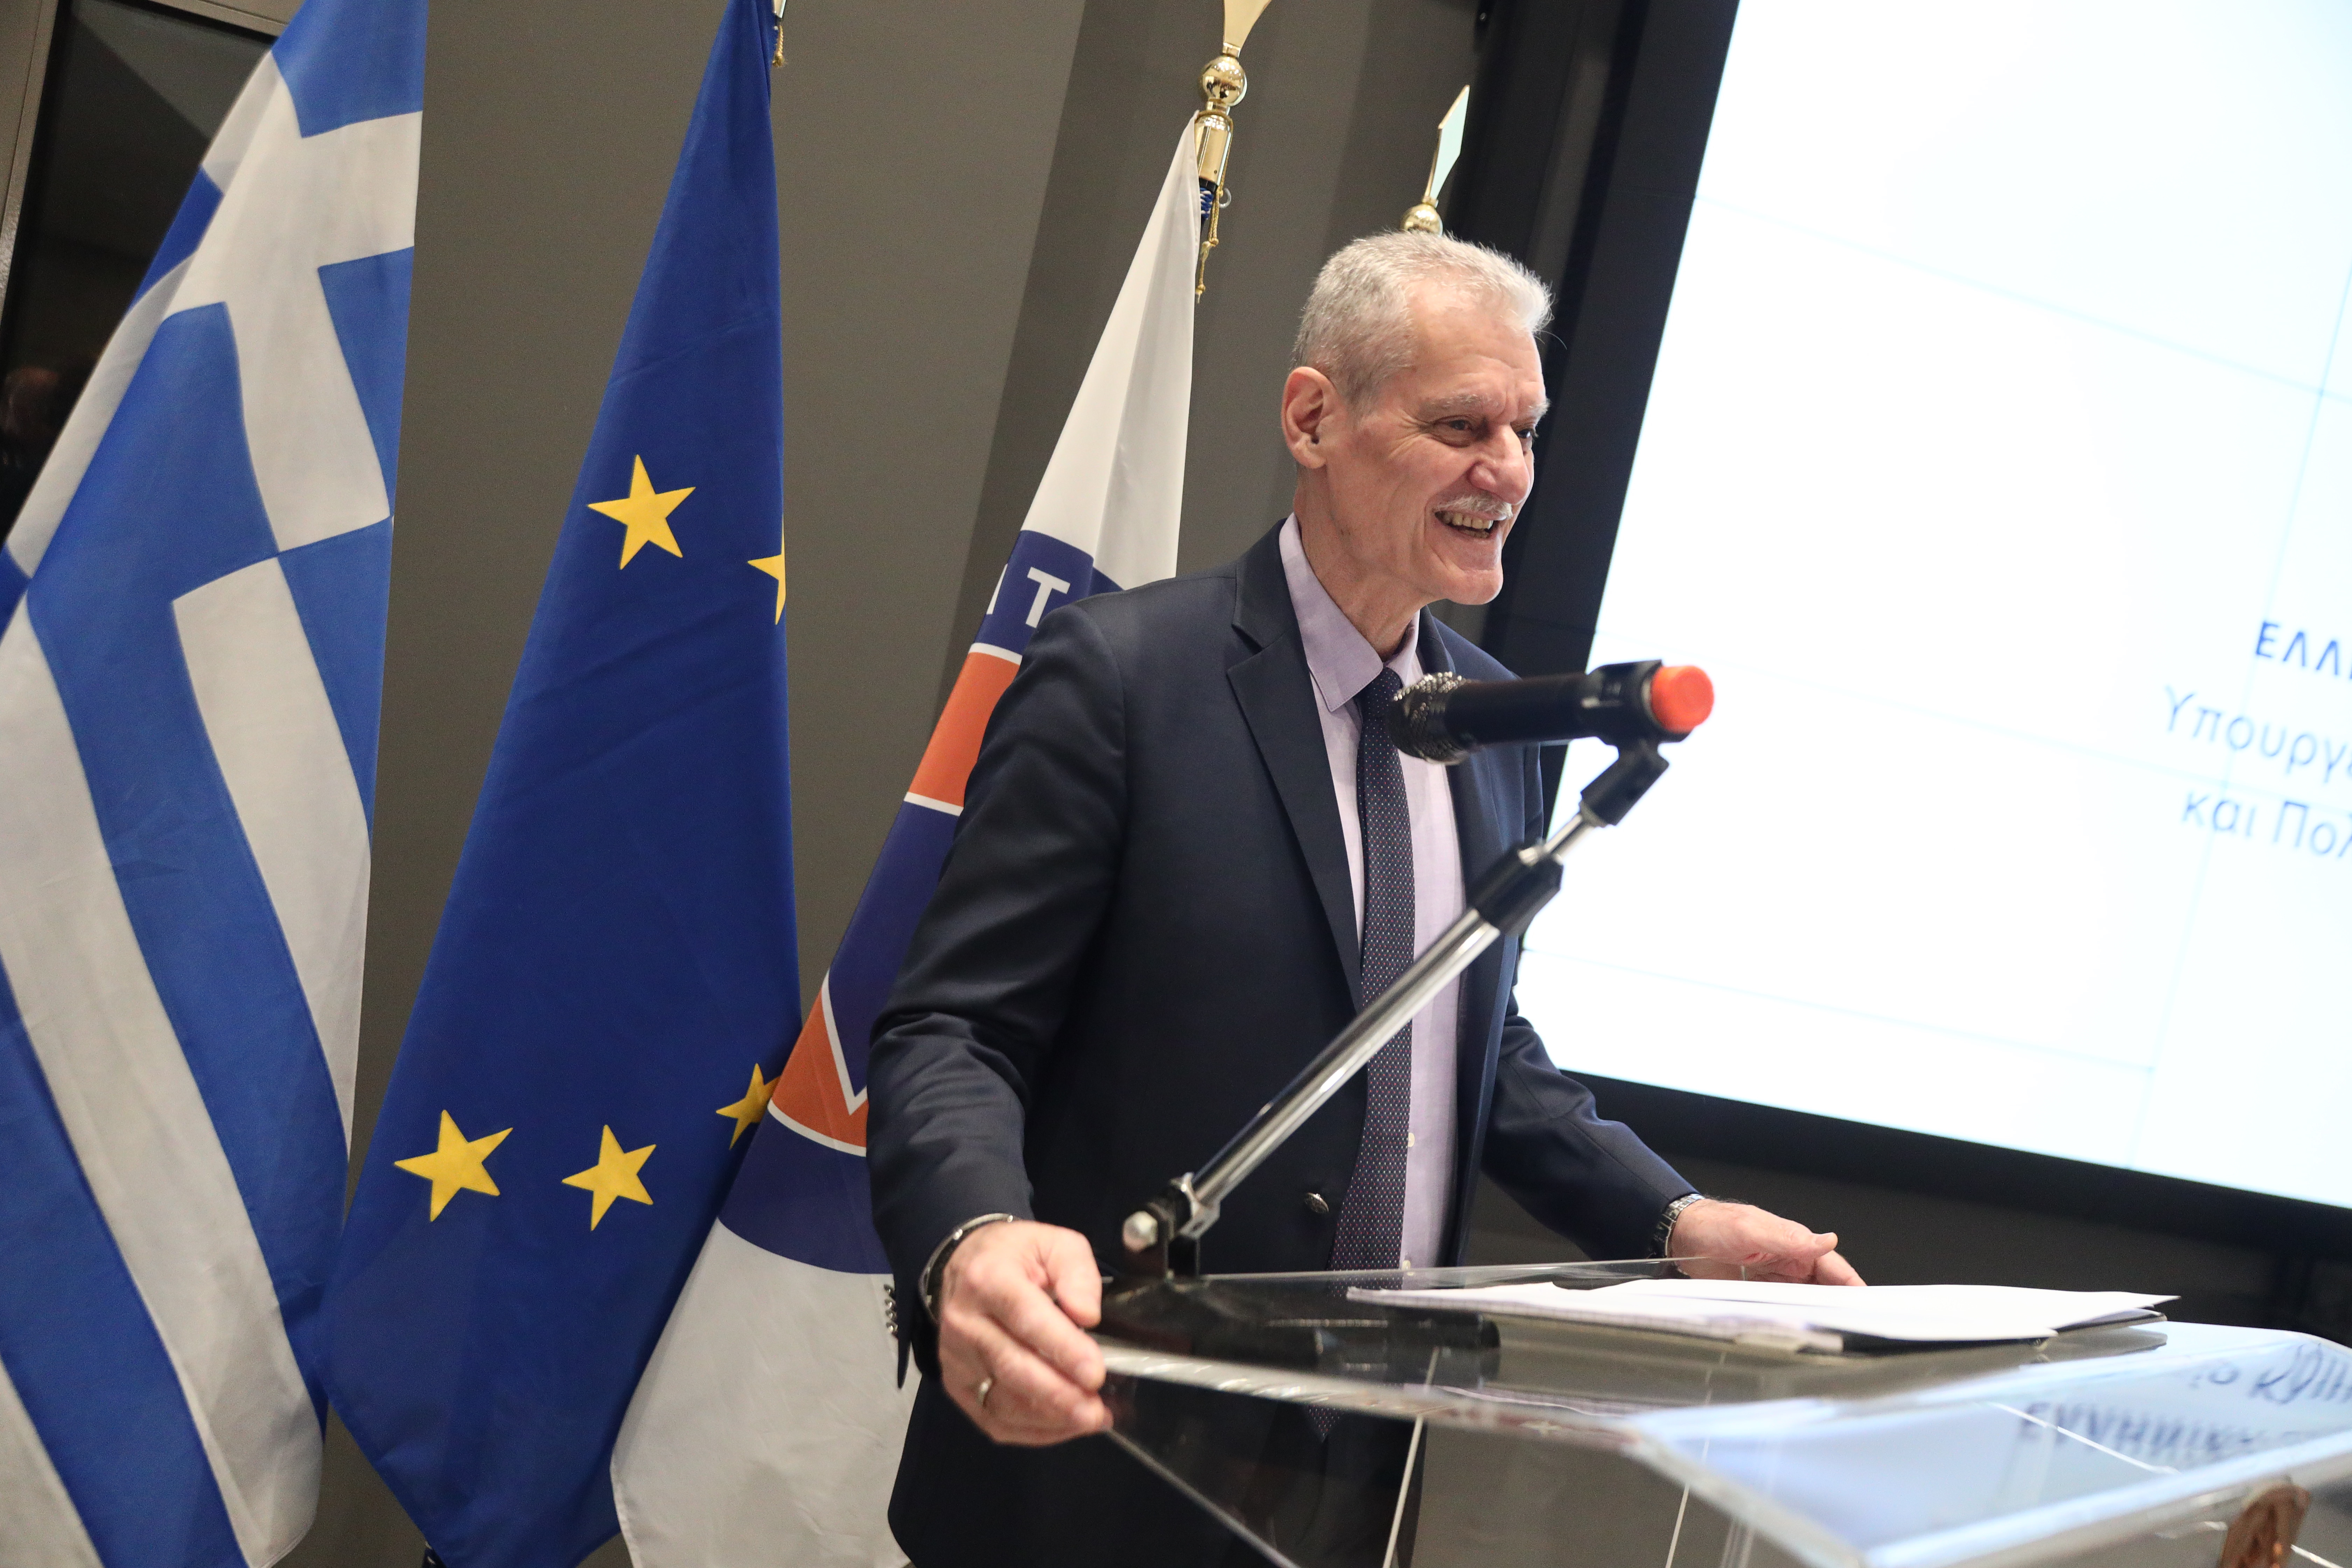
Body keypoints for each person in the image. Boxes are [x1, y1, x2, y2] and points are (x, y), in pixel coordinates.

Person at [867, 231, 1861, 1566]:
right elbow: (954, 1030)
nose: (1507, 470)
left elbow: (1465, 1045)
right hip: (1089, 1458)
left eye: (1524, 430)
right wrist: (976, 1234)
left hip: (1351, 1477)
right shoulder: (1122, 680)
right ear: (1314, 419)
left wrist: (1674, 1222)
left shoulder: (1495, 724)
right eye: (1462, 425)